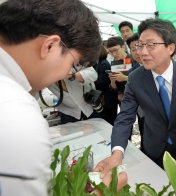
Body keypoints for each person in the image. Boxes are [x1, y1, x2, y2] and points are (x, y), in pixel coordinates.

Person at [0, 0, 126, 195]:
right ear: (50, 46)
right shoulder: (16, 112)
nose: (67, 72)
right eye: (72, 63)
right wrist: (102, 192)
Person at [94, 18, 176, 173]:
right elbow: (125, 116)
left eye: (150, 45)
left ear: (170, 48)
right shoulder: (136, 78)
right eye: (140, 46)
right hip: (154, 149)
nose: (142, 52)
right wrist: (117, 152)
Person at [94, 45, 119, 125]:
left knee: (109, 122)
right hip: (106, 100)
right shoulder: (99, 63)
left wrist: (89, 81)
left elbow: (101, 83)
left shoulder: (103, 64)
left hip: (108, 100)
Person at [107, 36, 133, 102]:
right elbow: (114, 88)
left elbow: (142, 80)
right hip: (124, 100)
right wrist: (112, 81)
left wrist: (124, 78)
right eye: (110, 51)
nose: (114, 54)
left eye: (116, 50)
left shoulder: (134, 60)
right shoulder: (115, 63)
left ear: (123, 47)